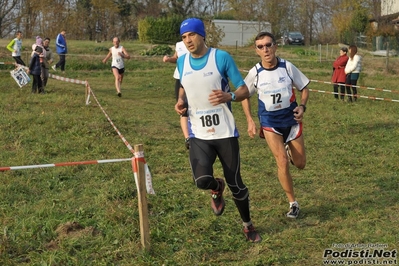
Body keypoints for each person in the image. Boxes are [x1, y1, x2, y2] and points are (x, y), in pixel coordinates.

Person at [174, 18, 261, 243]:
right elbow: (183, 86)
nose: (188, 40)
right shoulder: (182, 62)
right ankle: (216, 186)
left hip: (224, 133)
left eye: (191, 35)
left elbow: (243, 89)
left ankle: (247, 225)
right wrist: (181, 102)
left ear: (202, 35)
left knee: (236, 184)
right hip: (198, 134)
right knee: (202, 180)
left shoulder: (220, 57)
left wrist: (229, 96)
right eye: (184, 37)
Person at [241, 32, 310, 219]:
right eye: (260, 47)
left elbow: (304, 87)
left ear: (275, 46)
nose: (265, 49)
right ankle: (293, 203)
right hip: (270, 122)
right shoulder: (255, 73)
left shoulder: (287, 67)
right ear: (256, 50)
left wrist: (302, 107)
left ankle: (290, 150)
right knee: (281, 161)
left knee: (301, 164)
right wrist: (249, 120)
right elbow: (244, 95)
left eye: (268, 45)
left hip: (291, 120)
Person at [163, 41, 190, 148]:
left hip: (193, 77)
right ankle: (188, 138)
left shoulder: (198, 43)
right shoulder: (178, 44)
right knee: (182, 106)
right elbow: (176, 58)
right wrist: (169, 59)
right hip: (180, 78)